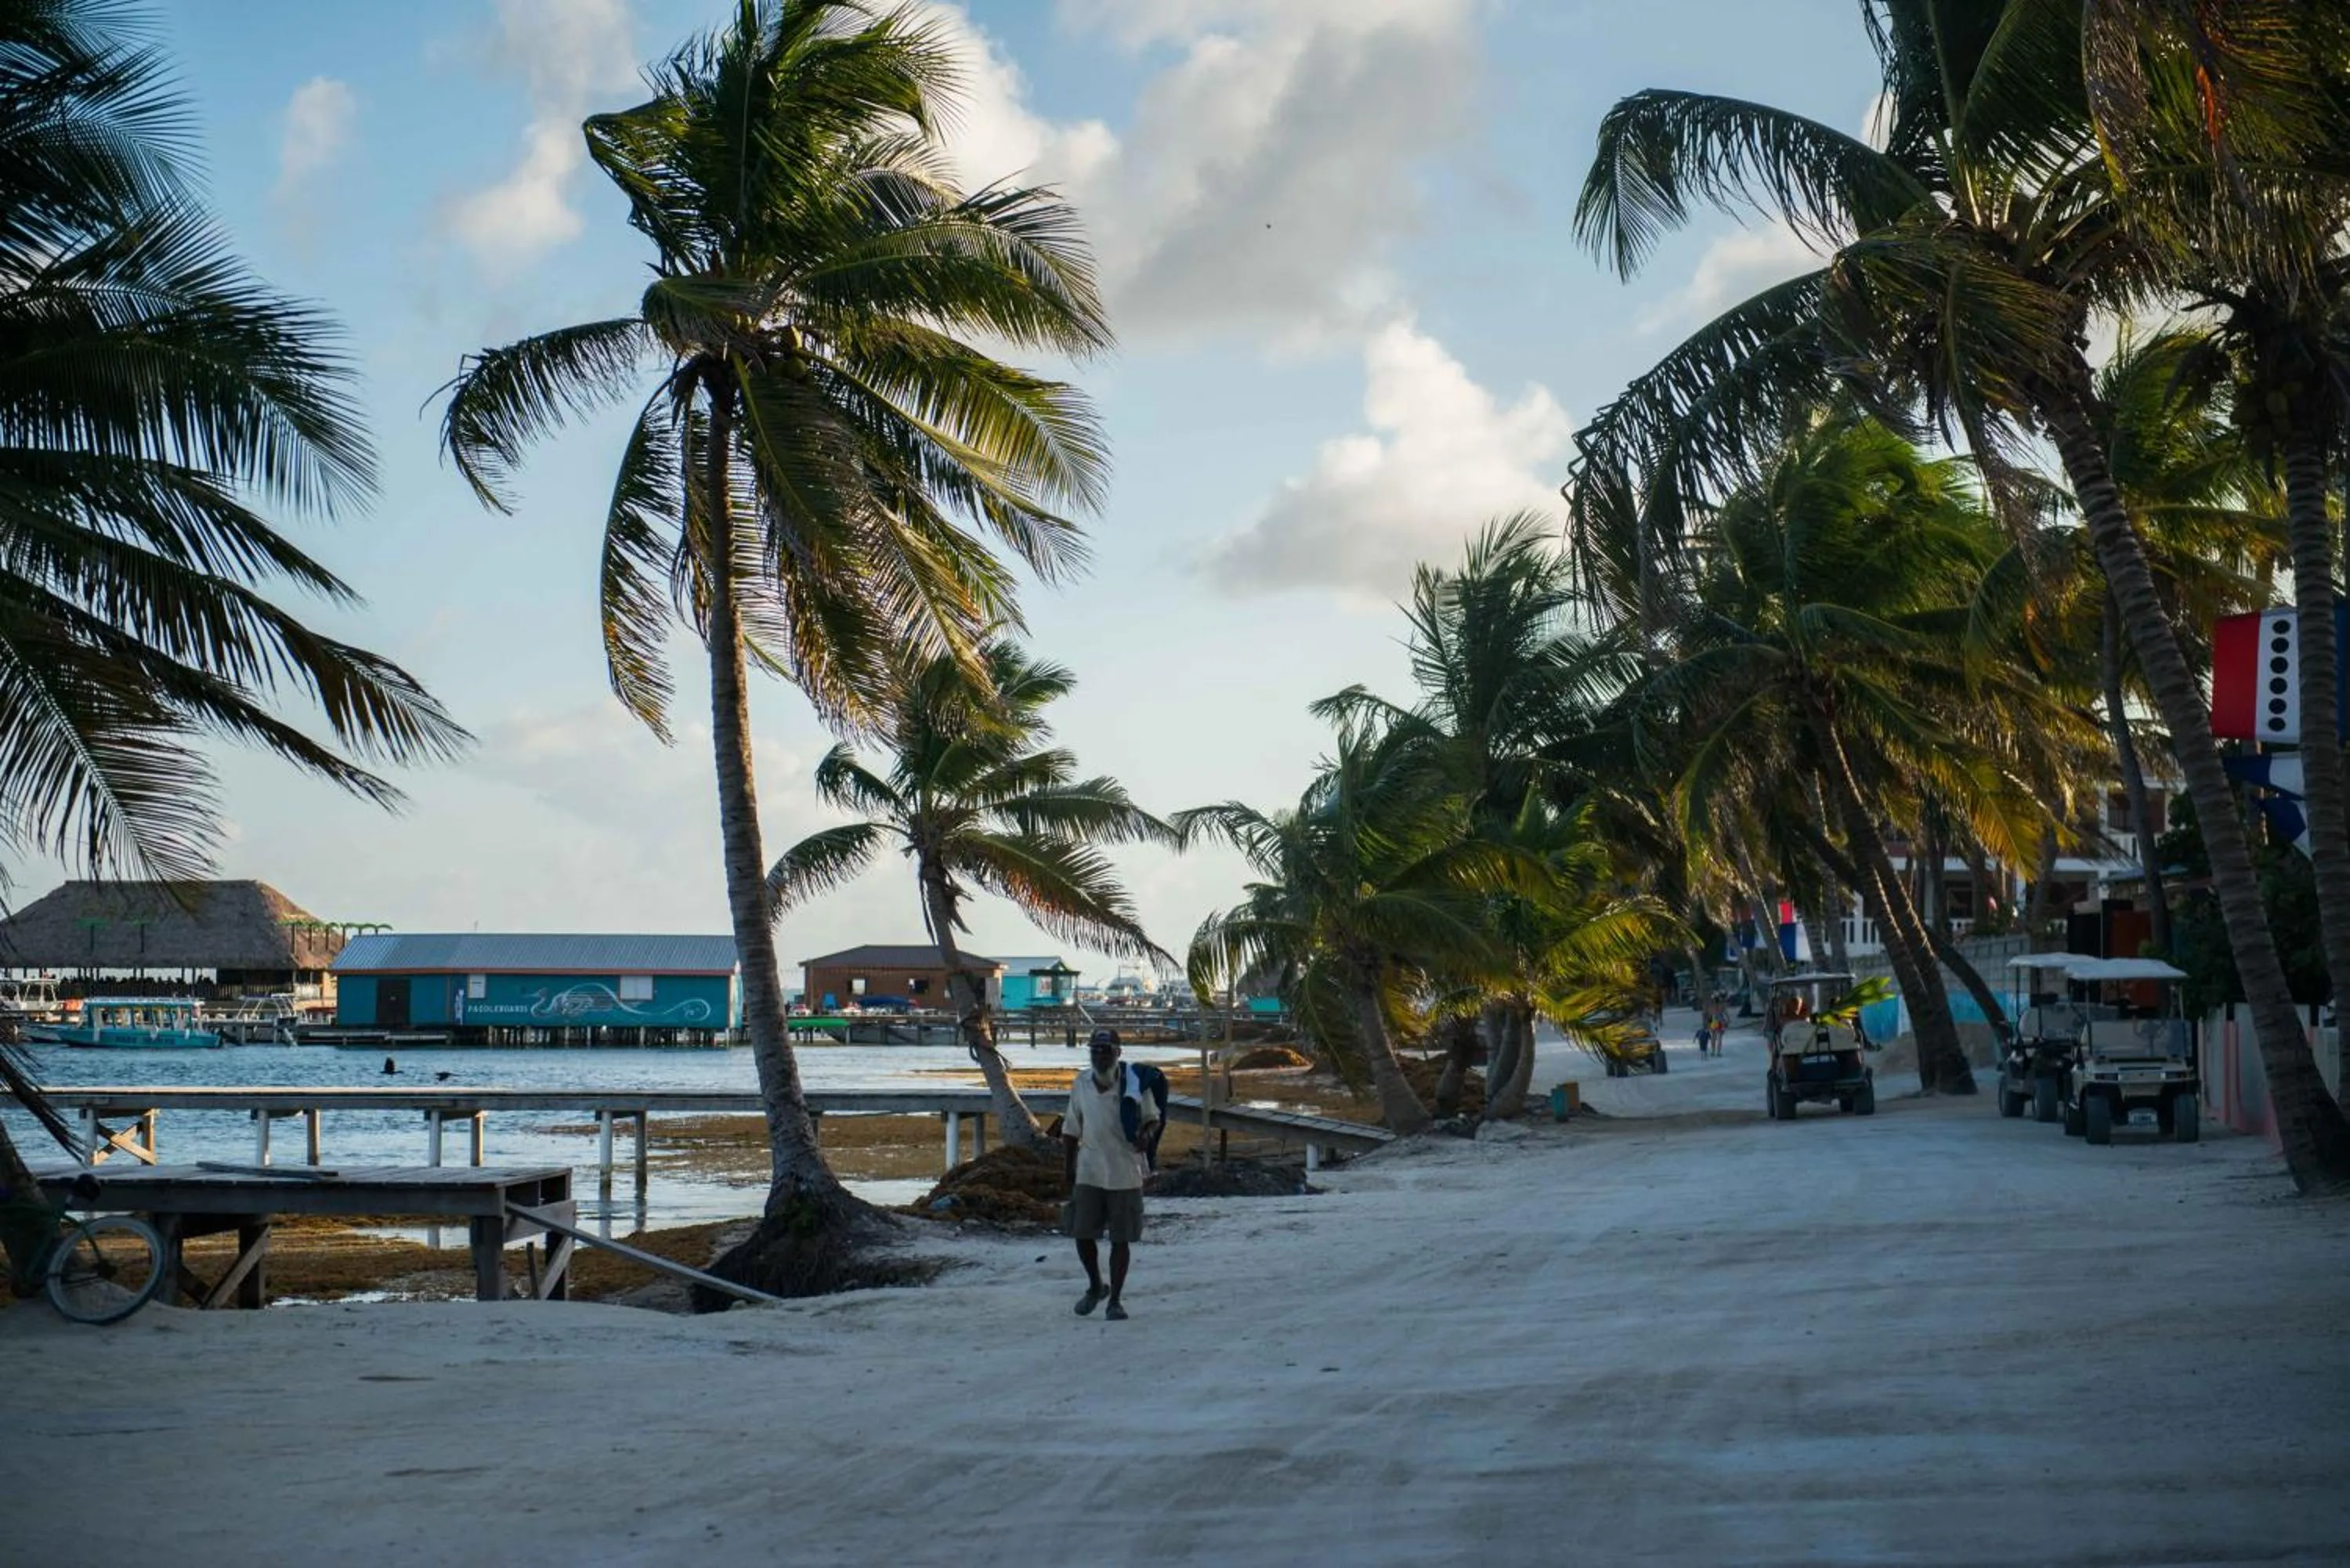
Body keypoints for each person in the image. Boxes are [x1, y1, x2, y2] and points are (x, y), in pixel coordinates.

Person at [1063, 1028, 1157, 1321]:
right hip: (1089, 1170)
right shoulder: (1081, 1083)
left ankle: (1115, 1299)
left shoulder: (1136, 1083)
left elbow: (1152, 1120)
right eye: (1095, 1050)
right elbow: (1070, 1129)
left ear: (1118, 1052)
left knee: (1121, 1239)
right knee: (1082, 1233)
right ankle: (1095, 1285)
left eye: (1106, 1050)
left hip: (1124, 1172)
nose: (1100, 1055)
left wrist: (1146, 1137)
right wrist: (1068, 1168)